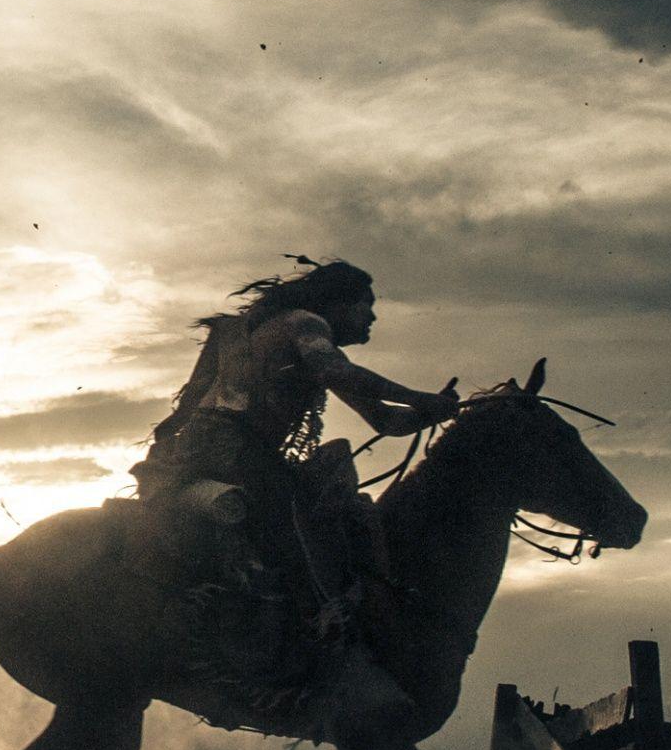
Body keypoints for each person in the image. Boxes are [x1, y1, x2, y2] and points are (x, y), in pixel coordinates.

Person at [131, 259, 458, 644]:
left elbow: (385, 422)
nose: (371, 317)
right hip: (239, 453)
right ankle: (316, 618)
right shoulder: (306, 324)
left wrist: (432, 412)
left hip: (207, 453)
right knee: (306, 519)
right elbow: (336, 373)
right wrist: (421, 398)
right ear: (337, 303)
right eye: (365, 305)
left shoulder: (275, 340)